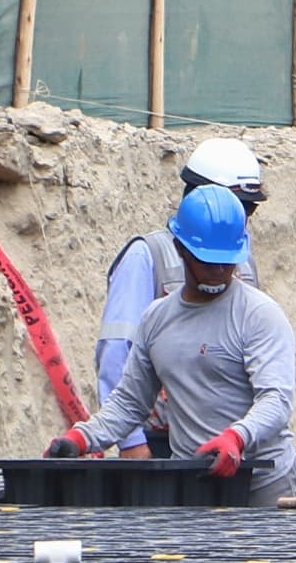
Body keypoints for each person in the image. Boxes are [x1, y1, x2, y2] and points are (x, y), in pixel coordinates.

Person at [45, 186, 296, 503]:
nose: (220, 272)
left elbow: (276, 400)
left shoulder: (259, 315)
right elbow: (130, 402)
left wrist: (237, 437)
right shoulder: (157, 319)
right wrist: (81, 439)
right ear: (181, 249)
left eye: (227, 263)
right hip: (195, 483)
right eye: (208, 262)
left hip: (263, 484)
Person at [94, 137, 266, 457]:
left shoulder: (241, 258)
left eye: (248, 209)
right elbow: (118, 350)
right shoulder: (147, 256)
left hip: (233, 444)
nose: (240, 219)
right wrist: (131, 443)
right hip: (161, 441)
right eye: (239, 206)